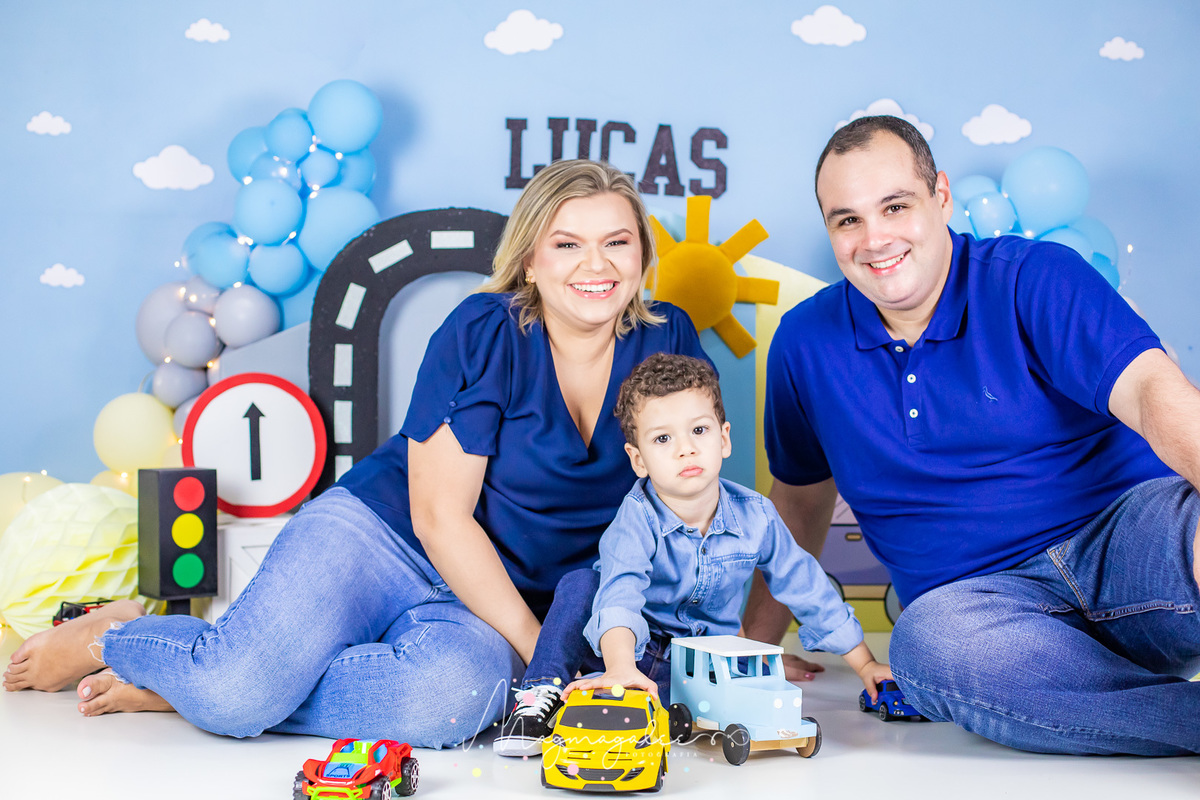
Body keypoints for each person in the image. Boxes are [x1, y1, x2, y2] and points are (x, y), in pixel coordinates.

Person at [2, 159, 712, 748]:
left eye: (617, 242)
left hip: (491, 597)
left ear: (643, 256)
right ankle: (118, 637)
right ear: (530, 258)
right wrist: (543, 663)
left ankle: (198, 685)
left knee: (455, 705)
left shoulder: (670, 340)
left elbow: (679, 509)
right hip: (385, 535)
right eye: (567, 244)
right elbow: (440, 519)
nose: (596, 264)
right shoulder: (483, 330)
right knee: (235, 692)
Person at [745, 114, 1200, 756]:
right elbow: (798, 502)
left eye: (895, 206)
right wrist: (752, 652)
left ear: (941, 195)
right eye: (847, 220)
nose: (874, 239)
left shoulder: (1034, 277)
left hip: (1128, 545)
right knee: (926, 647)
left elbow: (1155, 392)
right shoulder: (803, 344)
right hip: (980, 614)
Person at [493, 352, 890, 755]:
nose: (686, 449)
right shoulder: (636, 518)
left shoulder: (756, 516)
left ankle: (632, 709)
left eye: (699, 430)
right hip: (626, 650)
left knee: (716, 705)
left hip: (699, 667)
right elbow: (619, 595)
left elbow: (806, 586)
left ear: (724, 439)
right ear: (638, 460)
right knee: (581, 584)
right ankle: (540, 695)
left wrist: (864, 663)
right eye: (663, 439)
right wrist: (621, 668)